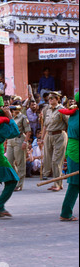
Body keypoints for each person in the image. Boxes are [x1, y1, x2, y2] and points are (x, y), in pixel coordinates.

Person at [41, 92, 68, 191]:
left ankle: (57, 184)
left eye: (52, 98)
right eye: (49, 98)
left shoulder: (62, 110)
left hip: (59, 135)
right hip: (49, 135)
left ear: (57, 99)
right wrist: (42, 138)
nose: (50, 100)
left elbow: (68, 124)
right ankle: (57, 182)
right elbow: (45, 125)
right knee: (49, 160)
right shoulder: (46, 109)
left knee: (56, 160)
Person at [59, 92, 79, 221]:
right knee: (75, 183)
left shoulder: (74, 112)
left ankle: (66, 212)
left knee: (75, 183)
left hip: (72, 149)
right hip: (76, 151)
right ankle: (65, 213)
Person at [6, 104, 32, 191]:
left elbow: (28, 131)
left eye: (15, 109)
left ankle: (19, 184)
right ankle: (15, 178)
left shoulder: (23, 117)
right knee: (9, 161)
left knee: (20, 162)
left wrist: (25, 142)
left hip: (20, 139)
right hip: (11, 140)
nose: (14, 110)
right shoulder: (11, 118)